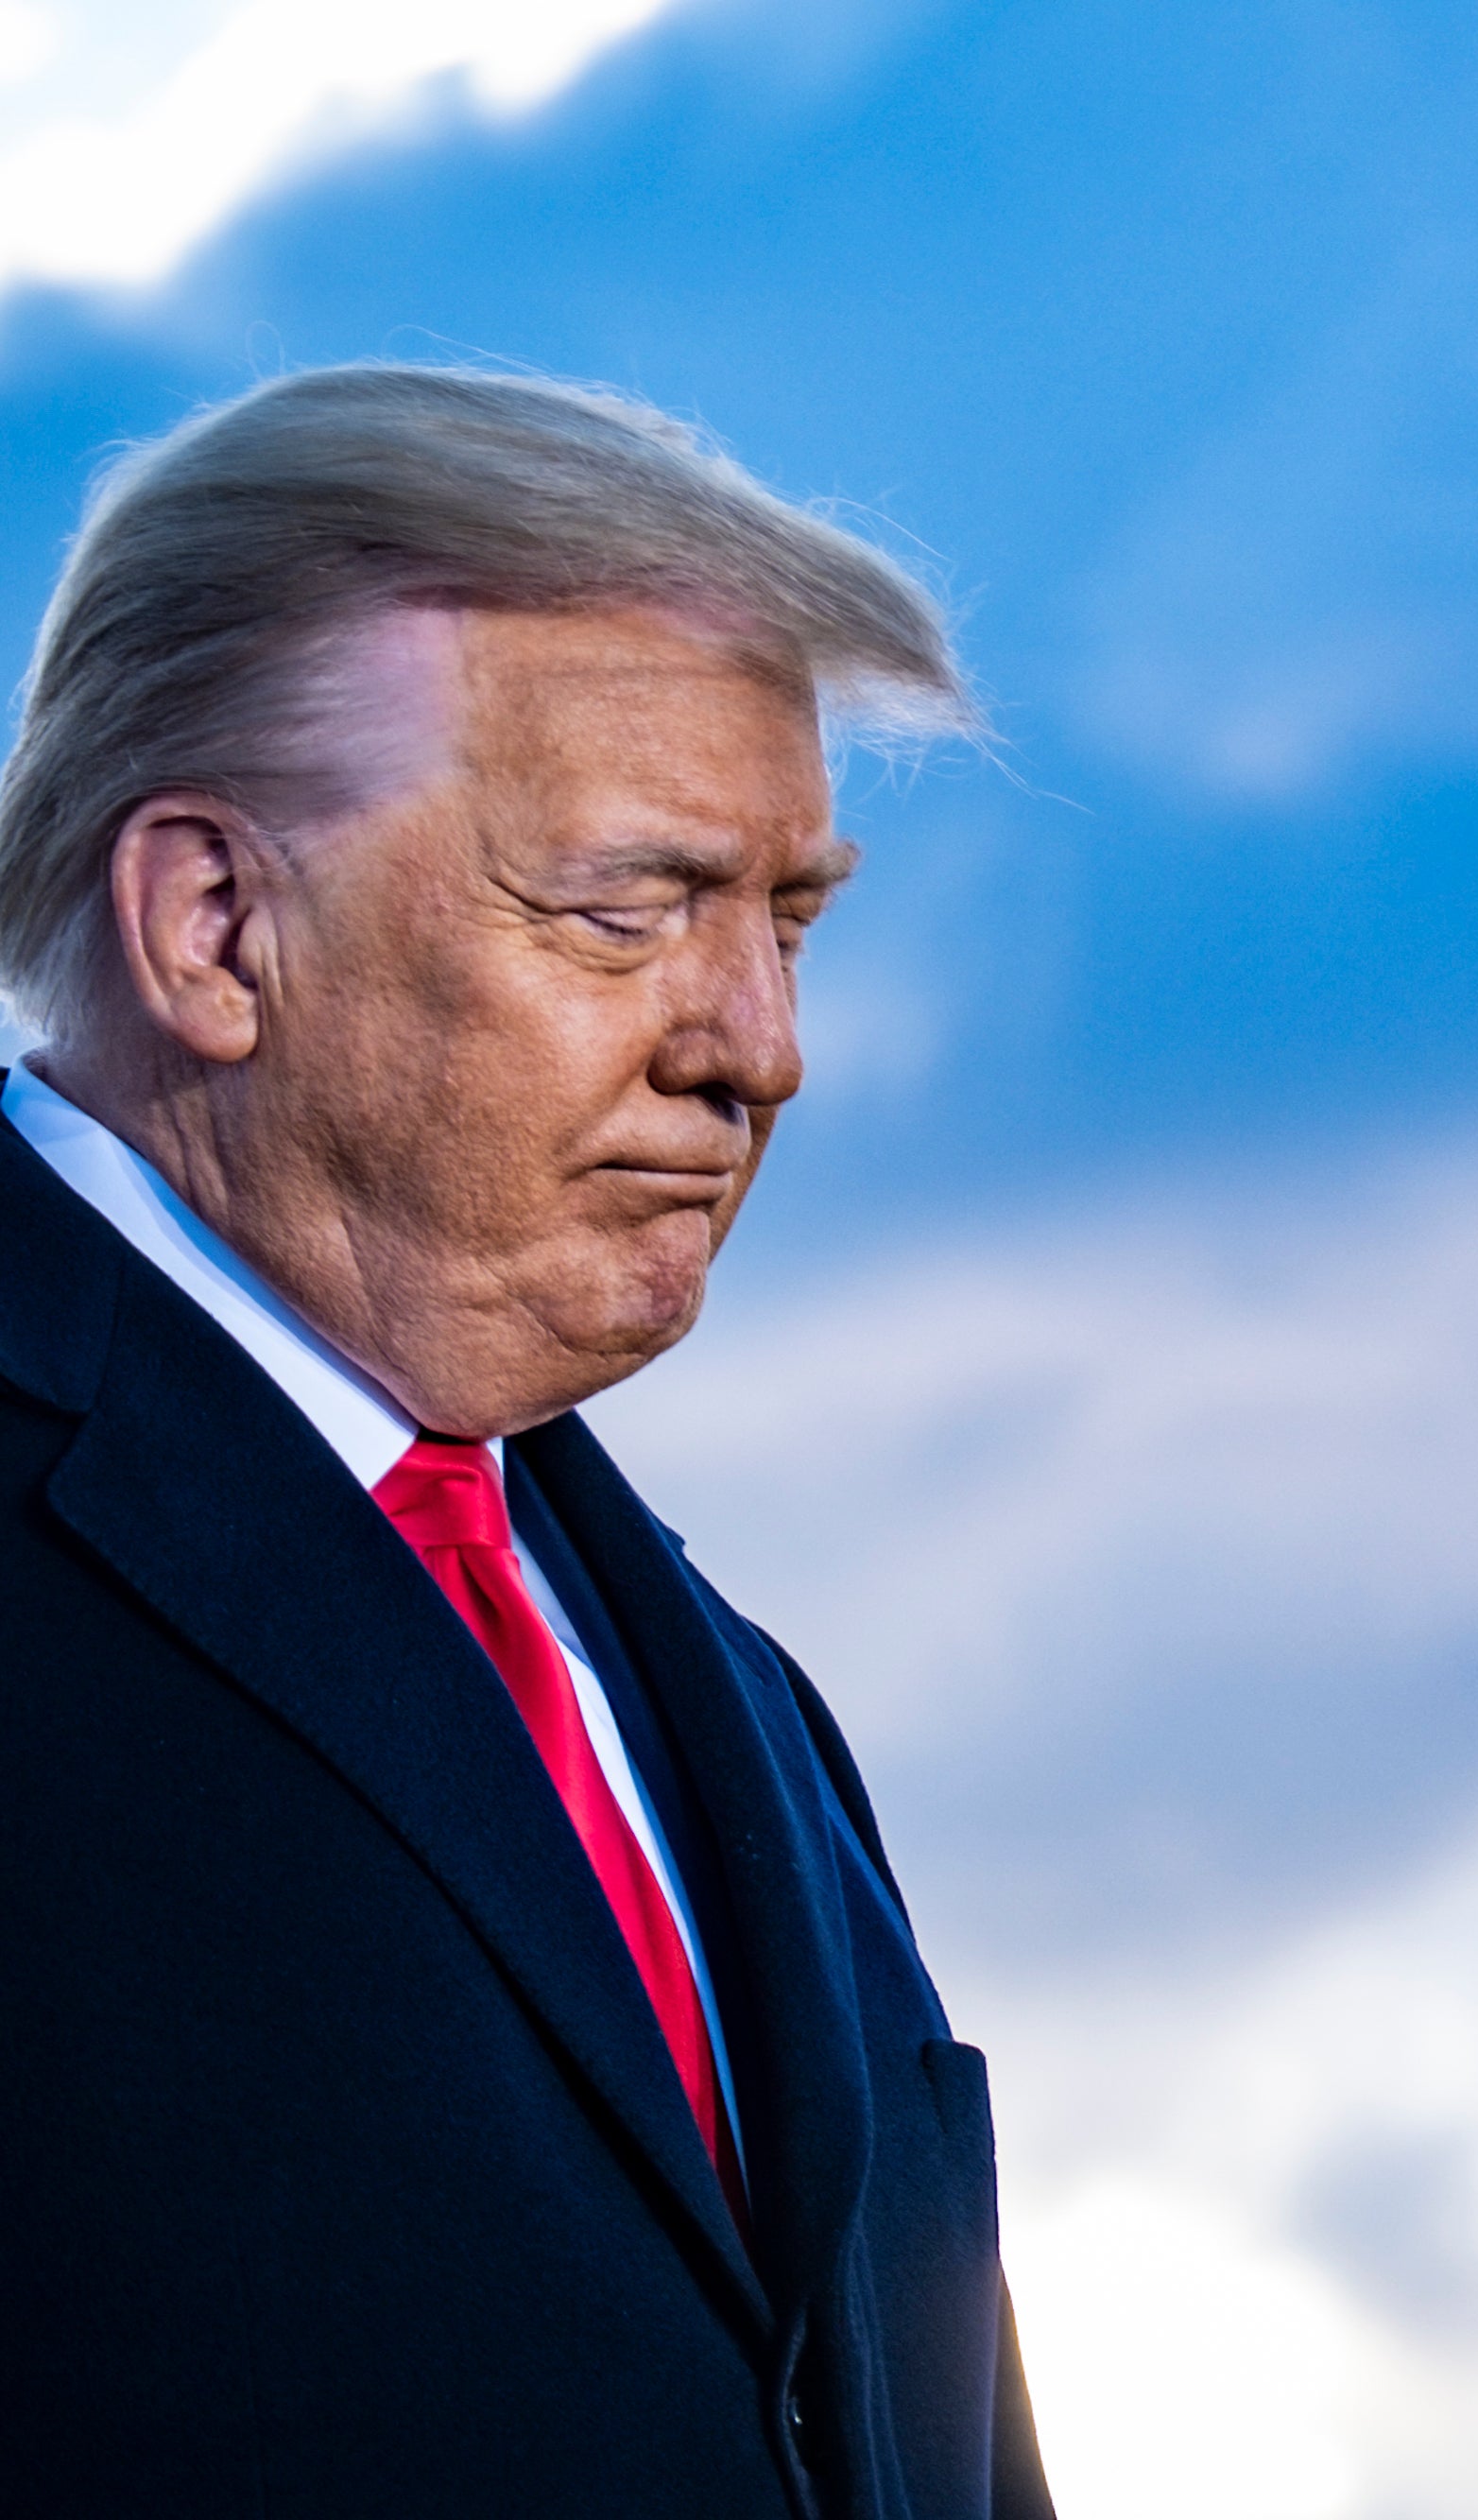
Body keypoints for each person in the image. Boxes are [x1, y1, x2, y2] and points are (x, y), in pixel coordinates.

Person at [0, 365, 1053, 2518]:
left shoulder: (731, 1690)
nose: (760, 1050)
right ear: (214, 925)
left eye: (789, 918)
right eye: (628, 905)